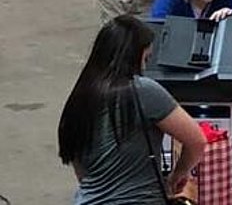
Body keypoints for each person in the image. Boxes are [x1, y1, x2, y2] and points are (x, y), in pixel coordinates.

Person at [58, 16, 207, 204]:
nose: (144, 67)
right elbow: (196, 140)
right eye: (145, 59)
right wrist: (178, 174)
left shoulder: (79, 97)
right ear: (133, 57)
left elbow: (80, 170)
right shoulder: (143, 91)